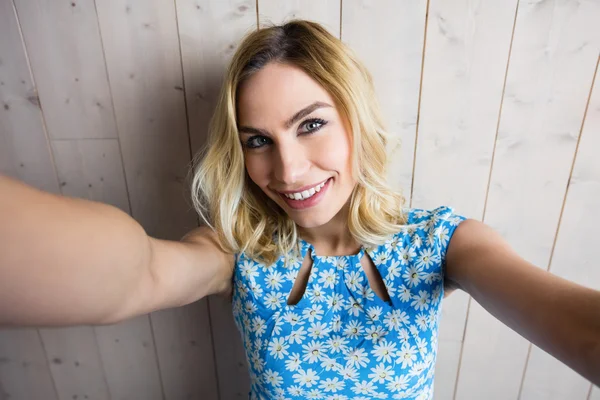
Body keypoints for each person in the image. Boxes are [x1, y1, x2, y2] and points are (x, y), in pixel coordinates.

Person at [0, 20, 598, 400]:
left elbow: (570, 322)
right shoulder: (239, 251)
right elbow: (139, 274)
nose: (286, 172)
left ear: (356, 121)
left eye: (310, 125)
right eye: (258, 140)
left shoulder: (441, 242)